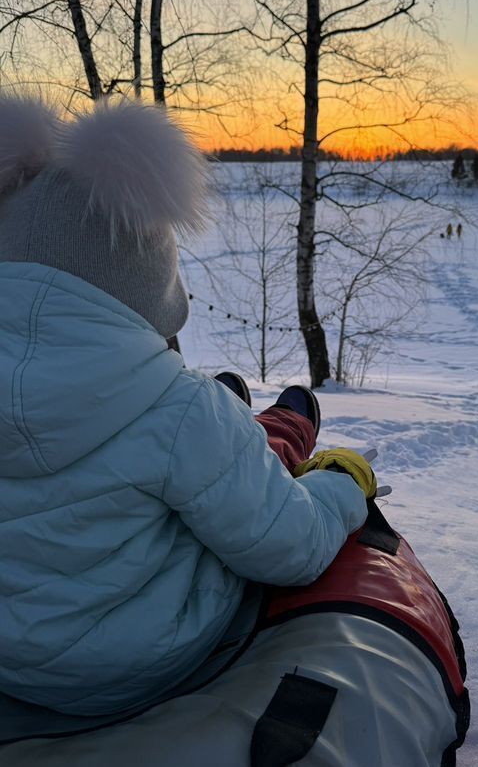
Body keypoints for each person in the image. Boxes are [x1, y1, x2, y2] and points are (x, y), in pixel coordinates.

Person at [0, 95, 374, 717]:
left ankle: (270, 425)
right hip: (139, 664)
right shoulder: (177, 411)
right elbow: (291, 547)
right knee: (231, 470)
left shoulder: (177, 413)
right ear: (145, 286)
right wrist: (343, 488)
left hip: (10, 663)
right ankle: (288, 427)